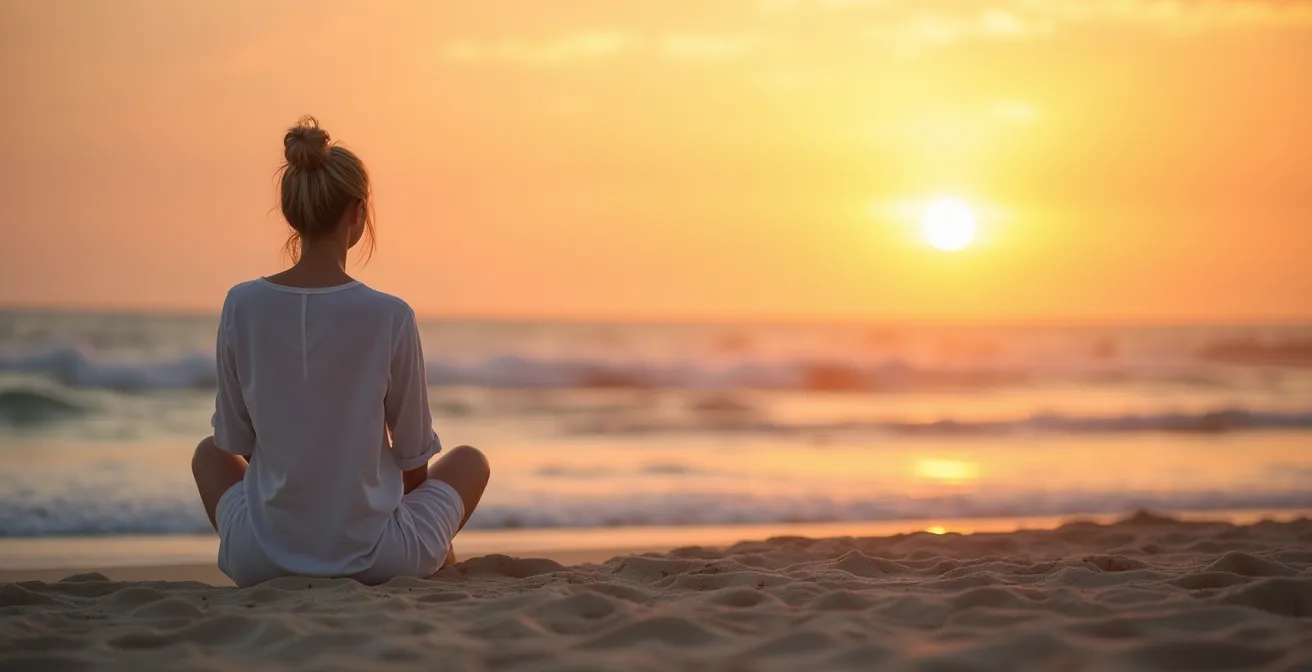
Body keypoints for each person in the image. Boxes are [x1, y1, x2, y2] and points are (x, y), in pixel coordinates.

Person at [190, 116, 490, 588]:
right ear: (357, 213)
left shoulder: (240, 304)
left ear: (292, 211)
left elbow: (235, 444)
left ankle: (290, 543)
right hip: (378, 560)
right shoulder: (389, 315)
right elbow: (413, 459)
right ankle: (439, 559)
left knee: (207, 454)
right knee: (471, 460)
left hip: (261, 559)